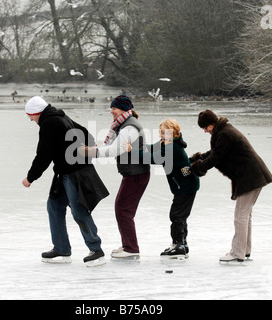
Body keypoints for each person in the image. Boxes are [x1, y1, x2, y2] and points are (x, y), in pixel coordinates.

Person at [22, 96, 109, 267]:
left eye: (30, 115)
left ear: (36, 112)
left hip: (74, 173)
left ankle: (96, 249)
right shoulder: (60, 116)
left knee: (79, 210)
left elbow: (44, 155)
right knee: (54, 206)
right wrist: (90, 143)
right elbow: (83, 130)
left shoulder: (49, 123)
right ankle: (61, 248)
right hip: (65, 172)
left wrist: (31, 177)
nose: (31, 119)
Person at [190, 110, 272, 263]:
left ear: (212, 123)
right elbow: (214, 152)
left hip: (250, 177)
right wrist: (199, 158)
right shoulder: (223, 131)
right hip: (252, 175)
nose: (205, 131)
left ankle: (237, 252)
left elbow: (216, 157)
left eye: (205, 127)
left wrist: (197, 167)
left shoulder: (225, 134)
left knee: (240, 216)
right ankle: (245, 250)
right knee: (245, 215)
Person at [81, 96, 150, 260]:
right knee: (123, 209)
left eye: (114, 108)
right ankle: (129, 245)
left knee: (123, 210)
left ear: (124, 109)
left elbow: (116, 149)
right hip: (133, 173)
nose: (111, 111)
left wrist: (93, 153)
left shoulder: (129, 127)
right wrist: (95, 148)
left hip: (136, 174)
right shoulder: (123, 125)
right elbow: (111, 145)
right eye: (111, 108)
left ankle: (131, 248)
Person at [125, 119, 200, 259]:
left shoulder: (173, 148)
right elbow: (150, 148)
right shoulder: (165, 143)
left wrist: (132, 151)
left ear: (174, 133)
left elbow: (152, 158)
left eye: (166, 133)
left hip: (186, 186)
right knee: (180, 215)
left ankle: (179, 245)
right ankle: (181, 243)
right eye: (161, 133)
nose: (163, 135)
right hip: (182, 186)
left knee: (177, 215)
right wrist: (137, 146)